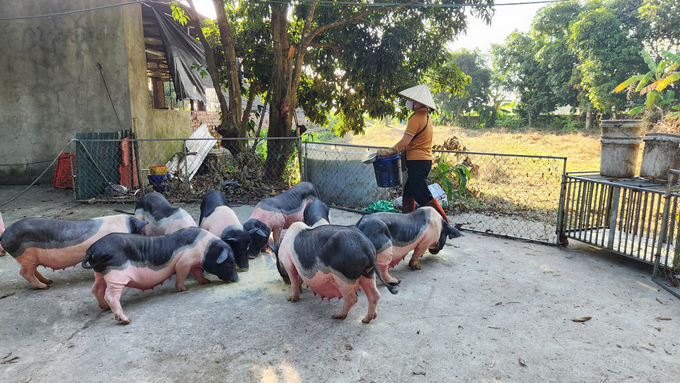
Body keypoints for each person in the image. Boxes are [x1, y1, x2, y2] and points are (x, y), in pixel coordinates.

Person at [375, 84, 449, 223]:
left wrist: (387, 152)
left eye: (411, 99)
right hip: (424, 161)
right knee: (409, 191)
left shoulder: (416, 118)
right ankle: (407, 222)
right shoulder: (425, 116)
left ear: (419, 102)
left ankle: (444, 224)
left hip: (417, 161)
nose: (408, 101)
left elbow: (404, 143)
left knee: (422, 194)